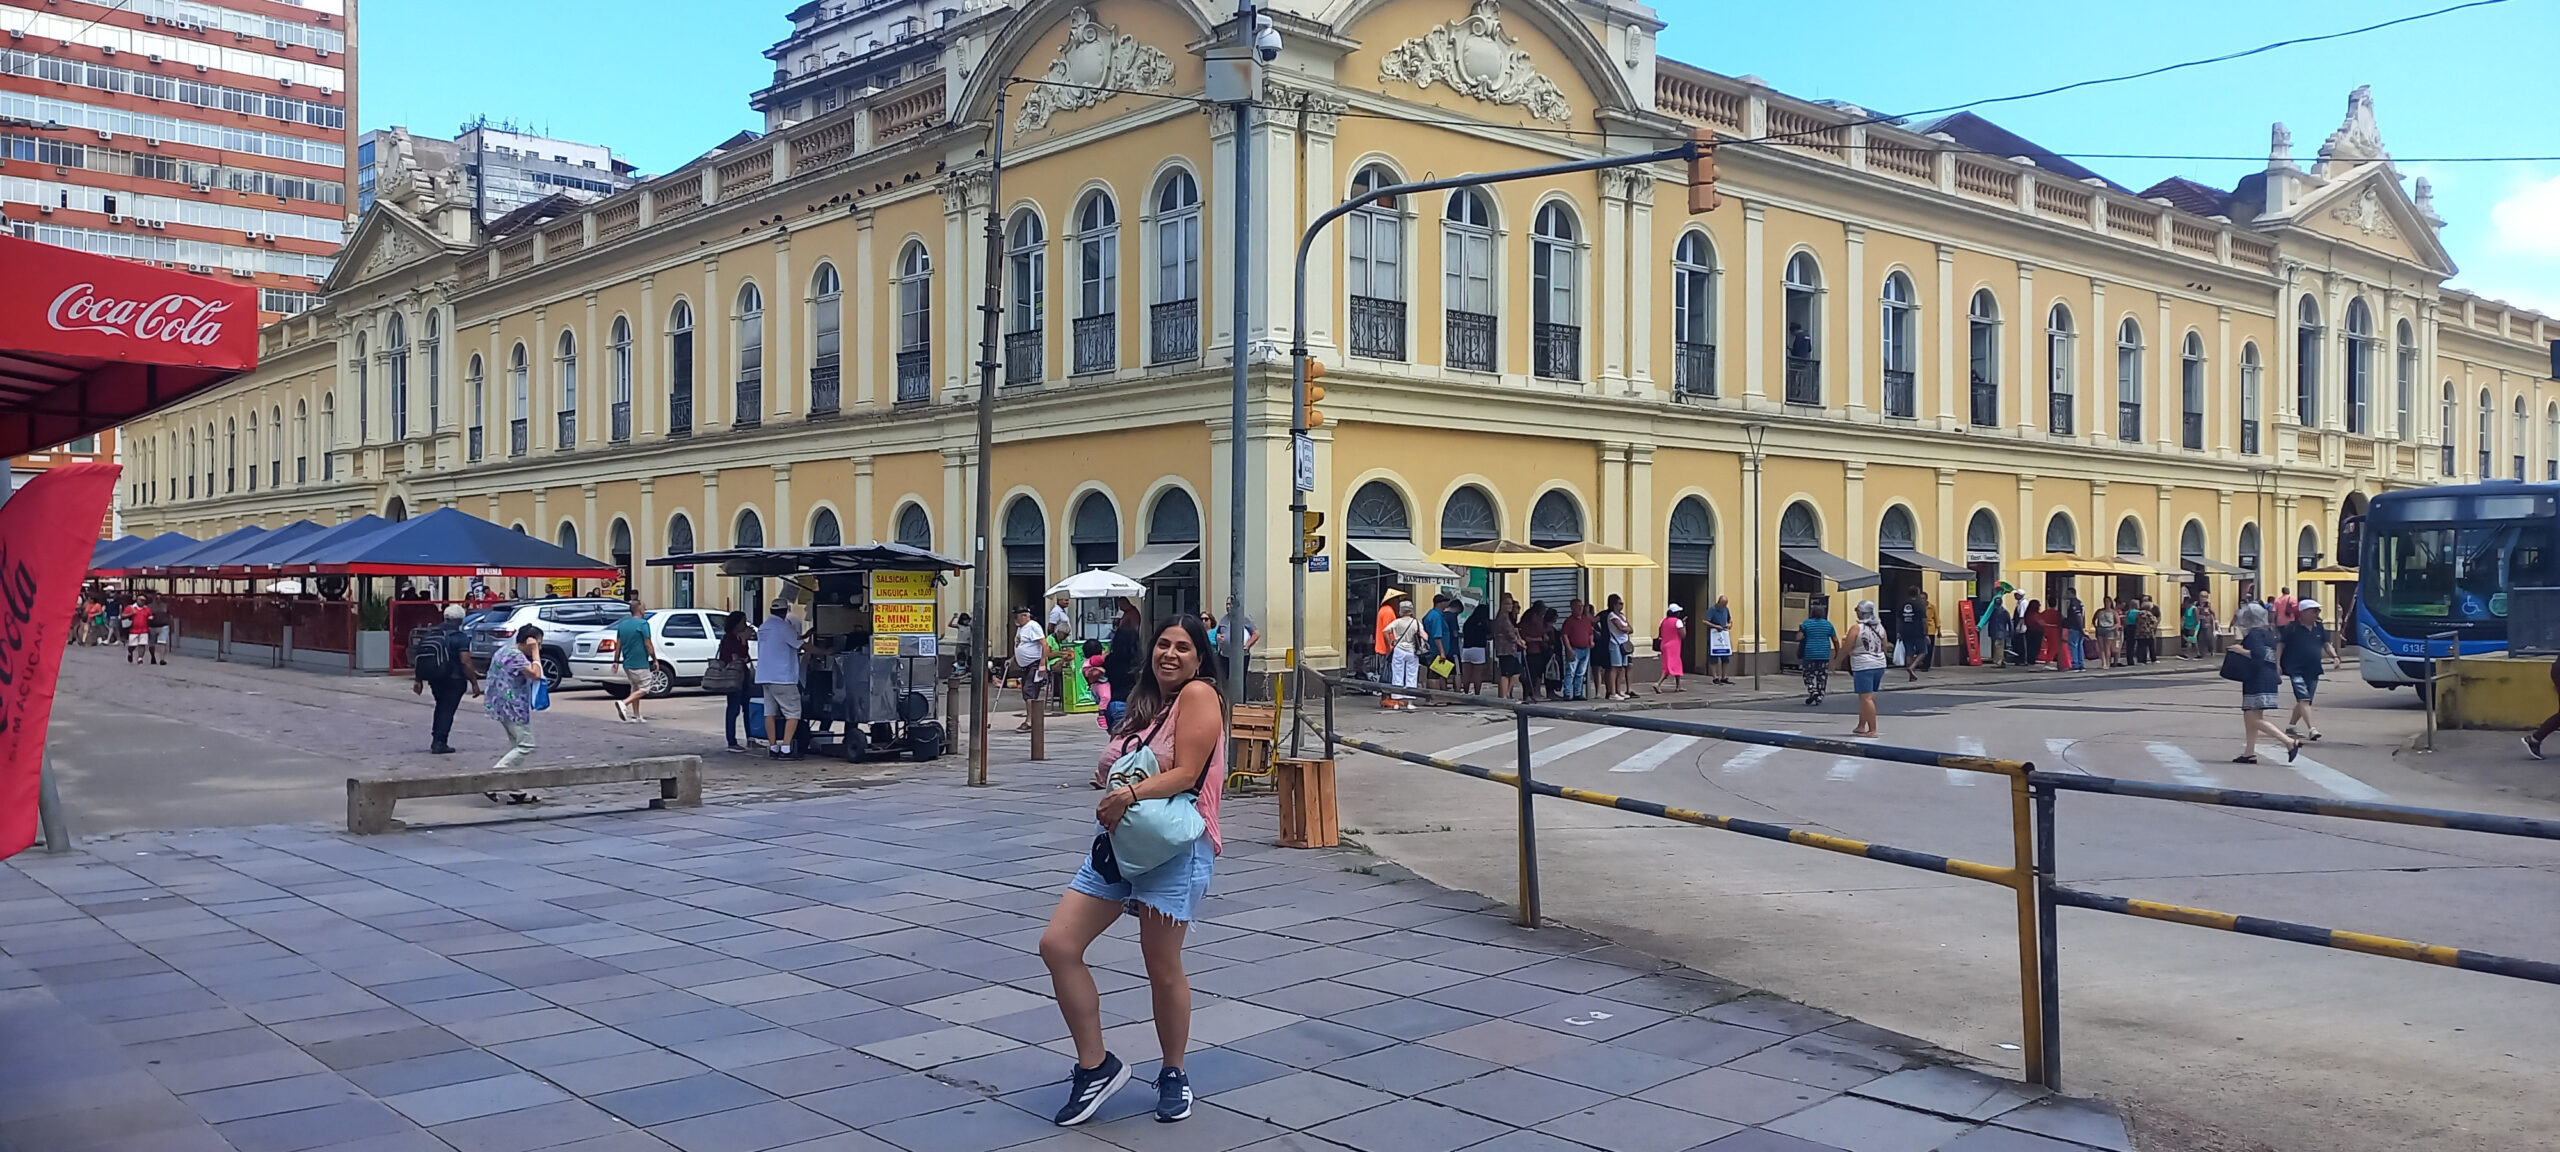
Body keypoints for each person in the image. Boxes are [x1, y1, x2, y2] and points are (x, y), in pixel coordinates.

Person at [1039, 614, 1227, 1127]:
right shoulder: (1146, 704)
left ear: (1200, 658)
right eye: (1162, 645)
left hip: (1173, 848)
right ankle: (1095, 1066)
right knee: (1058, 945)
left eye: (1182, 648)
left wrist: (1128, 791)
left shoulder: (1199, 696)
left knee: (1160, 965)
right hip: (1120, 846)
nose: (1169, 654)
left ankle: (1173, 1072)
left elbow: (1187, 772)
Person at [2228, 603, 2300, 764]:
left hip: (2257, 678)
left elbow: (2258, 655)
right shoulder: (2268, 633)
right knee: (2251, 715)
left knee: (2253, 718)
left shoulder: (2254, 634)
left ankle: (2288, 742)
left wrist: (2240, 650)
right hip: (2267, 677)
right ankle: (2249, 752)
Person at [481, 624, 545, 800]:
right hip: (513, 706)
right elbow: (536, 674)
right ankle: (493, 778)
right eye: (538, 643)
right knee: (526, 745)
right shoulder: (516, 656)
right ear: (528, 641)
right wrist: (535, 653)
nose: (540, 647)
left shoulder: (503, 650)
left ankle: (515, 789)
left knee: (516, 745)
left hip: (501, 704)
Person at [410, 604, 481, 755]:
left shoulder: (430, 633)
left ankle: (437, 738)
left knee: (441, 707)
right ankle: (439, 742)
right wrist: (474, 682)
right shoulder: (459, 637)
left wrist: (418, 679)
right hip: (454, 679)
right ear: (461, 620)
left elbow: (420, 657)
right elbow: (465, 661)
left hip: (435, 677)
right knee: (447, 709)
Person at [758, 600, 806, 757]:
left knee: (769, 713)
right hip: (782, 677)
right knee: (793, 712)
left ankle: (773, 747)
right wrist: (824, 651)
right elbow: (801, 645)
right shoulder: (784, 627)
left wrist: (805, 635)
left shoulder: (764, 627)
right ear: (786, 611)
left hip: (765, 676)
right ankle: (786, 748)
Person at [2281, 599, 2328, 742]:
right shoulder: (2292, 628)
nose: (2317, 613)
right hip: (2295, 669)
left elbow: (2326, 644)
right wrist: (2277, 663)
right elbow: (2280, 645)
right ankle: (2311, 729)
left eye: (2318, 610)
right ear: (2303, 613)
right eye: (2314, 610)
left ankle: (2291, 726)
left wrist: (2335, 657)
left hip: (2313, 669)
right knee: (2304, 699)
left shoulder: (2319, 627)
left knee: (2305, 701)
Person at [1845, 600, 1891, 738]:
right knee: (1865, 697)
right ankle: (1861, 726)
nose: (1855, 611)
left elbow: (1847, 646)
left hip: (1863, 664)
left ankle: (1872, 730)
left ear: (1861, 612)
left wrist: (1837, 660)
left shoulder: (1856, 628)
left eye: (1857, 609)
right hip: (1879, 664)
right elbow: (1885, 646)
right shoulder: (1880, 627)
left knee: (1866, 698)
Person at [608, 597, 656, 722]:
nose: (645, 611)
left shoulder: (623, 624)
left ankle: (636, 716)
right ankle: (624, 703)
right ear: (640, 611)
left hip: (627, 663)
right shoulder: (643, 624)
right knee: (645, 688)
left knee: (635, 688)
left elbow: (618, 644)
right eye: (644, 609)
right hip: (640, 662)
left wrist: (616, 661)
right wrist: (655, 659)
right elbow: (648, 644)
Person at [1102, 604, 1145, 730]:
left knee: (1116, 739)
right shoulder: (1138, 661)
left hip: (1113, 703)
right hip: (1131, 703)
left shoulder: (1110, 660)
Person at [719, 611, 756, 753]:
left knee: (747, 708)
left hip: (743, 676)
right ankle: (732, 741)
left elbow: (744, 656)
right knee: (733, 709)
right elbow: (738, 657)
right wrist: (744, 641)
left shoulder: (737, 638)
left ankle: (750, 738)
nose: (745, 625)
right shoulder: (730, 639)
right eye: (743, 622)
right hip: (734, 677)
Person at [1013, 605, 1048, 732]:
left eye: (1016, 616)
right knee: (1027, 692)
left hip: (1034, 664)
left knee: (1029, 691)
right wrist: (1012, 659)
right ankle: (1031, 718)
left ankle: (1030, 721)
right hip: (1026, 665)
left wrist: (1042, 663)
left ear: (1023, 616)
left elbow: (1044, 644)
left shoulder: (1033, 626)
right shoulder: (1021, 628)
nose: (1014, 619)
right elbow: (1020, 644)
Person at [1383, 598, 1423, 708]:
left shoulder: (1397, 622)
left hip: (1399, 650)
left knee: (1397, 675)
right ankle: (1410, 703)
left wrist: (1391, 643)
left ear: (1401, 610)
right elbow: (1425, 636)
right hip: (1412, 651)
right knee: (1412, 675)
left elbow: (1385, 631)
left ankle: (1396, 702)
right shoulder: (1416, 623)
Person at [1797, 599, 1836, 706]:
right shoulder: (1828, 625)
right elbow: (1835, 640)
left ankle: (1812, 690)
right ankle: (1819, 695)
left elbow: (1799, 638)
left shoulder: (1806, 623)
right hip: (1824, 654)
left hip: (1810, 653)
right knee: (1822, 676)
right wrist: (1837, 652)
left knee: (1808, 674)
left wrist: (1801, 632)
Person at [1422, 594, 1457, 693]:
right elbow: (1437, 636)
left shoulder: (1431, 614)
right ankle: (1435, 697)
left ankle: (1441, 695)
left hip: (1434, 649)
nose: (1447, 603)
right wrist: (1442, 652)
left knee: (1441, 674)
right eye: (1445, 601)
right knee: (1434, 675)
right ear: (1440, 603)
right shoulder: (1436, 616)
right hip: (1436, 650)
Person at [1561, 599, 1595, 700]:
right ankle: (1567, 693)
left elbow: (1590, 633)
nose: (1580, 608)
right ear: (1572, 608)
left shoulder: (1586, 620)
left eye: (1581, 606)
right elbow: (1565, 636)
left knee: (1581, 673)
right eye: (1578, 606)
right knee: (1570, 672)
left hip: (1586, 649)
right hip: (1574, 649)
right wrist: (1569, 649)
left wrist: (1591, 642)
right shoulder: (1569, 622)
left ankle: (1578, 693)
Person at [1519, 602, 1553, 702]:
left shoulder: (1539, 622)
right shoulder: (1527, 623)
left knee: (1537, 674)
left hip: (1539, 651)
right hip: (1530, 651)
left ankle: (1534, 693)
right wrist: (1539, 639)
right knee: (1530, 674)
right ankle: (1528, 694)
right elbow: (1525, 637)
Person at [1491, 594, 1523, 700]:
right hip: (1505, 650)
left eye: (1510, 604)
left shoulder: (1508, 618)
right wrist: (1519, 642)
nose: (1509, 606)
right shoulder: (1503, 619)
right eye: (1507, 604)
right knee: (1506, 673)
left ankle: (1507, 693)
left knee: (1515, 672)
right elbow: (1510, 633)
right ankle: (1504, 695)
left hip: (1510, 649)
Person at [1602, 594, 1634, 700]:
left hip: (1624, 644)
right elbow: (1621, 628)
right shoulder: (1612, 616)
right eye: (1620, 603)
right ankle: (1612, 692)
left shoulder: (1622, 615)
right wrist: (1626, 628)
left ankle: (1619, 691)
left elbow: (1631, 628)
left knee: (1621, 668)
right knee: (1614, 667)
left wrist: (1627, 628)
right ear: (1614, 604)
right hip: (1615, 643)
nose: (1622, 606)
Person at [1372, 590, 1405, 683]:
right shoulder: (1388, 612)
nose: (1398, 603)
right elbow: (1388, 631)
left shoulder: (1383, 610)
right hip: (1385, 648)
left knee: (1383, 670)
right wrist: (1391, 647)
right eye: (1397, 600)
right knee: (1387, 671)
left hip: (1382, 647)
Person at [1459, 600, 1491, 693]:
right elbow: (1488, 635)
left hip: (1466, 649)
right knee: (1477, 674)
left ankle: (1465, 691)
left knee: (1466, 674)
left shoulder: (1468, 621)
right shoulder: (1483, 622)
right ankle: (1477, 693)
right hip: (1479, 649)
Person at [1653, 603, 1686, 693]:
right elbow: (1683, 635)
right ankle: (1658, 683)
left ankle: (1678, 686)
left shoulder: (1663, 621)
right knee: (1669, 666)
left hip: (1664, 645)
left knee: (1675, 664)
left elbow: (1660, 633)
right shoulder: (1678, 622)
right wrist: (1684, 625)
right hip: (1674, 646)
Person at [1898, 592, 1929, 681]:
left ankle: (1911, 675)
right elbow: (1924, 620)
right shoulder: (1920, 605)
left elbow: (1899, 619)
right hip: (1918, 632)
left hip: (1905, 632)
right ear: (1917, 594)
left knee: (1909, 653)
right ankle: (1912, 667)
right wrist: (1926, 634)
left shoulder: (1902, 604)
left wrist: (1899, 631)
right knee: (1923, 651)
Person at [1703, 595, 1734, 684]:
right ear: (1719, 602)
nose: (1724, 606)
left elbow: (1730, 619)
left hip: (1724, 634)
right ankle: (1715, 677)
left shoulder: (1726, 609)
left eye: (1726, 604)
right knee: (1713, 656)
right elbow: (1705, 621)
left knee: (1725, 657)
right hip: (1714, 635)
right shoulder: (1712, 609)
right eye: (1723, 604)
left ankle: (1724, 676)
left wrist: (1729, 624)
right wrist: (1715, 626)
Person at [2061, 592, 2087, 671]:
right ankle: (2081, 663)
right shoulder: (2080, 602)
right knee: (2079, 645)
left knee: (2073, 645)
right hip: (2079, 627)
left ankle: (2075, 664)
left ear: (2071, 593)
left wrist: (2080, 627)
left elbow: (2078, 616)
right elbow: (2083, 615)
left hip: (2074, 627)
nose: (2065, 595)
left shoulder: (2074, 603)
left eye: (2067, 593)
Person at [122, 594, 150, 664]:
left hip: (144, 630)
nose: (142, 602)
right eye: (141, 600)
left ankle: (140, 658)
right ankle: (130, 652)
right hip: (133, 630)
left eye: (143, 600)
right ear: (137, 600)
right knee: (132, 645)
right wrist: (131, 613)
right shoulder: (131, 607)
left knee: (142, 644)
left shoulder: (147, 609)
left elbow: (149, 616)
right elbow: (123, 615)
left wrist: (150, 618)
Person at [2093, 598, 2121, 668]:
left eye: (2108, 602)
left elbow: (2118, 622)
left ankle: (2108, 663)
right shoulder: (2100, 611)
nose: (2106, 603)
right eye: (2105, 602)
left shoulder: (2113, 612)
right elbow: (2094, 619)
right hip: (2100, 629)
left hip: (2109, 630)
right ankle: (2103, 663)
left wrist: (2113, 628)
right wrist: (2096, 626)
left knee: (2107, 647)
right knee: (2101, 647)